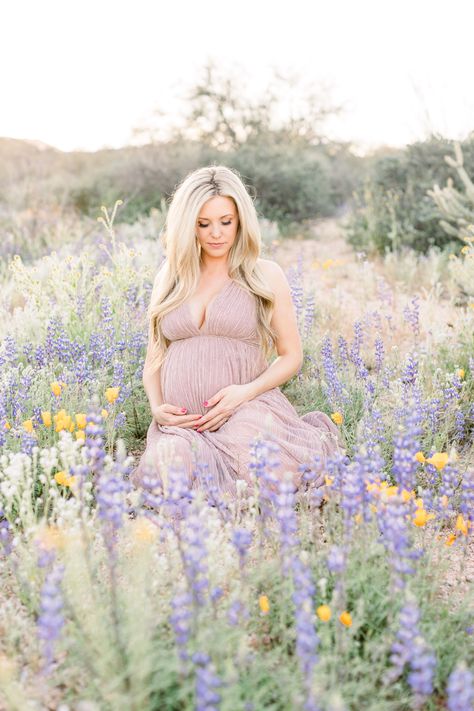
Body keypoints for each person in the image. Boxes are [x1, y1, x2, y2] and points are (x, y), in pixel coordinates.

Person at [129, 165, 344, 498]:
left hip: (247, 411)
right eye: (204, 224)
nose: (216, 233)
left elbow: (291, 356)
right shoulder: (169, 277)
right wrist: (158, 409)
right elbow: (154, 359)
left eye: (226, 222)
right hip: (184, 426)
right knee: (171, 471)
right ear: (188, 226)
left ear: (241, 220)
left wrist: (244, 393)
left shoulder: (264, 275)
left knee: (258, 466)